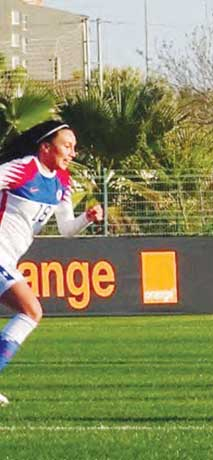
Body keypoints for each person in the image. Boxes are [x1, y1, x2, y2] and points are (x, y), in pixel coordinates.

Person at [0, 120, 104, 406]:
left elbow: (65, 229)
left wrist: (87, 219)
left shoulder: (63, 181)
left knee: (30, 312)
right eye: (67, 146)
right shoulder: (24, 168)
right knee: (31, 311)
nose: (72, 152)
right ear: (46, 147)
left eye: (74, 147)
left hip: (8, 257)